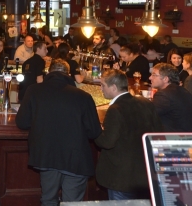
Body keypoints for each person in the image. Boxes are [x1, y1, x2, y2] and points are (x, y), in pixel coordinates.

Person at [16, 59, 102, 206]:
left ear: (49, 72)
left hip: (46, 155)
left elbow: (22, 122)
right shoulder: (83, 96)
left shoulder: (33, 90)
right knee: (72, 204)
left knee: (48, 200)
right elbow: (94, 132)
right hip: (76, 158)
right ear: (68, 74)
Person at [95, 69, 163, 200]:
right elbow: (158, 134)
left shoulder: (115, 109)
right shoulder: (146, 103)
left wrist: (96, 131)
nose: (101, 88)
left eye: (103, 85)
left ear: (113, 87)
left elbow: (107, 142)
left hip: (121, 178)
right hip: (145, 176)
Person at [149, 63, 192, 132]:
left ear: (165, 79)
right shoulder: (183, 91)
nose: (150, 78)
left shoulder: (163, 95)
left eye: (154, 75)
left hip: (172, 136)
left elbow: (147, 115)